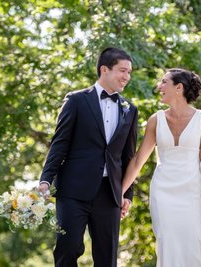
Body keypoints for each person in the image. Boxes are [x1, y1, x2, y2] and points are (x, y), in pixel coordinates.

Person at [121, 68, 201, 266]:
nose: (159, 87)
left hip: (192, 192)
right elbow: (139, 160)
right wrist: (119, 193)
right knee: (167, 243)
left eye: (164, 82)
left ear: (178, 88)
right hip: (162, 193)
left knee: (196, 245)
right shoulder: (156, 120)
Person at [38, 47, 138, 267]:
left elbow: (128, 155)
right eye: (122, 71)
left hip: (110, 192)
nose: (127, 77)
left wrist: (127, 193)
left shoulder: (129, 109)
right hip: (73, 190)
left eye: (129, 72)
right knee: (68, 248)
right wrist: (45, 179)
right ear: (104, 69)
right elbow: (59, 143)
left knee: (107, 256)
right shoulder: (75, 101)